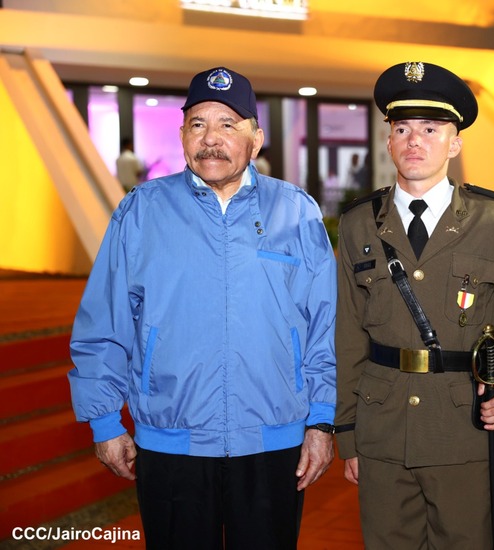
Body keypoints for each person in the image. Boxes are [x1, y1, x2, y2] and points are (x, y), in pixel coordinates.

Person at [68, 67, 337, 550]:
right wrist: (105, 421)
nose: (211, 138)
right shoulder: (141, 210)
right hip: (171, 442)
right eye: (198, 124)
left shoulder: (296, 211)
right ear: (182, 136)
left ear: (255, 138)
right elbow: (104, 323)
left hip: (274, 442)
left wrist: (320, 420)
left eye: (228, 124)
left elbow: (323, 328)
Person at [334, 61, 494, 549]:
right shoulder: (358, 224)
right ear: (389, 141)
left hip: (462, 424)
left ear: (455, 144)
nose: (414, 140)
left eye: (431, 129)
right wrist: (348, 432)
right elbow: (347, 334)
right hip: (381, 426)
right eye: (402, 129)